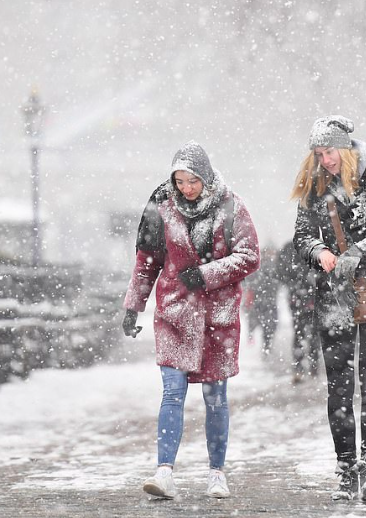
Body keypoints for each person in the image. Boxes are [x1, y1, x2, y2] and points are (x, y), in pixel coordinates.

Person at [122, 141, 260, 500]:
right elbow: (147, 260)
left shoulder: (231, 207)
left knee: (216, 397)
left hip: (218, 317)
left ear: (206, 177)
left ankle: (217, 472)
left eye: (193, 181)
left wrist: (208, 274)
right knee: (172, 392)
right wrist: (133, 306)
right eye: (180, 181)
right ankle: (164, 471)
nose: (186, 188)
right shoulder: (161, 206)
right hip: (174, 314)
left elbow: (249, 256)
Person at [291, 116, 366, 501]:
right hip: (334, 293)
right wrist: (318, 251)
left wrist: (359, 251)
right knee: (339, 385)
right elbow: (302, 235)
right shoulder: (316, 182)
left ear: (345, 147)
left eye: (329, 152)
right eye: (319, 153)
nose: (325, 160)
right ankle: (345, 467)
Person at [275, 239, 320, 382]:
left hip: (303, 296)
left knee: (304, 331)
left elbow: (280, 271)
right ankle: (308, 367)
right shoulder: (314, 246)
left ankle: (304, 367)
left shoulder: (291, 247)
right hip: (304, 296)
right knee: (308, 331)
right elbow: (280, 271)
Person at [244, 246, 281, 356]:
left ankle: (265, 347)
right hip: (261, 301)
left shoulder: (273, 267)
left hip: (266, 301)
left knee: (267, 326)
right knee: (265, 325)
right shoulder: (264, 267)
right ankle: (263, 347)